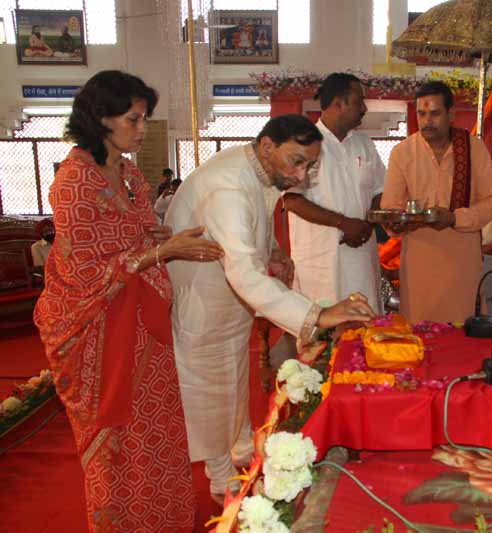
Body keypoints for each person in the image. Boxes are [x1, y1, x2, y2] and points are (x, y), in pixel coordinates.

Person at [33, 70, 224, 532]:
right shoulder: (74, 182)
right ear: (101, 119)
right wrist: (162, 251)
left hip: (142, 323)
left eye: (144, 119)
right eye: (133, 119)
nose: (142, 129)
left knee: (155, 427)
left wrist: (158, 237)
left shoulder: (129, 172)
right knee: (116, 435)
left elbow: (129, 234)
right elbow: (83, 268)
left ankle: (165, 518)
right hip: (98, 330)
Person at [165, 114, 376, 504]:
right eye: (297, 162)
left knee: (234, 379)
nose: (302, 175)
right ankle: (220, 479)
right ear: (267, 147)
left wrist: (274, 252)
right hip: (203, 298)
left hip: (229, 299)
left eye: (310, 166)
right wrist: (317, 315)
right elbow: (243, 269)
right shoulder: (228, 186)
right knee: (210, 388)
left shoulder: (259, 172)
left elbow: (253, 226)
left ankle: (243, 451)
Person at [380, 81, 492, 323]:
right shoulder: (402, 152)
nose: (427, 121)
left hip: (462, 261)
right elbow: (390, 206)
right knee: (420, 331)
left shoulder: (473, 149)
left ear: (451, 114)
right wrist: (396, 222)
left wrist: (455, 218)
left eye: (435, 113)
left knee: (462, 332)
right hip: (419, 262)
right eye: (421, 114)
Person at [284, 73, 385, 311]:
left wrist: (367, 224)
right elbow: (292, 200)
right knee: (322, 328)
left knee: (365, 323)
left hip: (361, 257)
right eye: (359, 101)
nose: (364, 108)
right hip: (320, 261)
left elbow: (380, 190)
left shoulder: (364, 144)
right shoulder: (302, 143)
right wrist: (343, 223)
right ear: (338, 104)